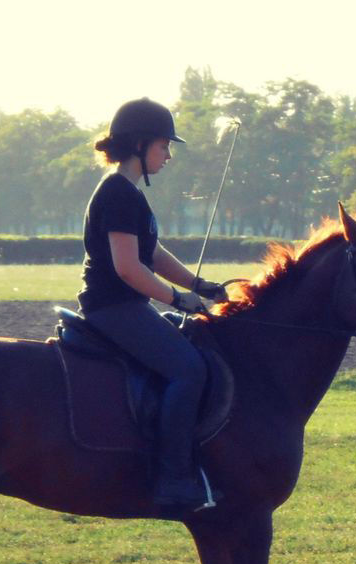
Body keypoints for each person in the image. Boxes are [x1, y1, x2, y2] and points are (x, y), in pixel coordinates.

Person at [77, 98, 229, 511]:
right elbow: (128, 269)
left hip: (124, 305)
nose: (168, 155)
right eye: (164, 145)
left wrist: (200, 284)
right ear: (140, 144)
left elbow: (153, 254)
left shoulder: (127, 193)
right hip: (114, 306)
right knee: (189, 369)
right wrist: (181, 299)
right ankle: (174, 478)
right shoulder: (119, 194)